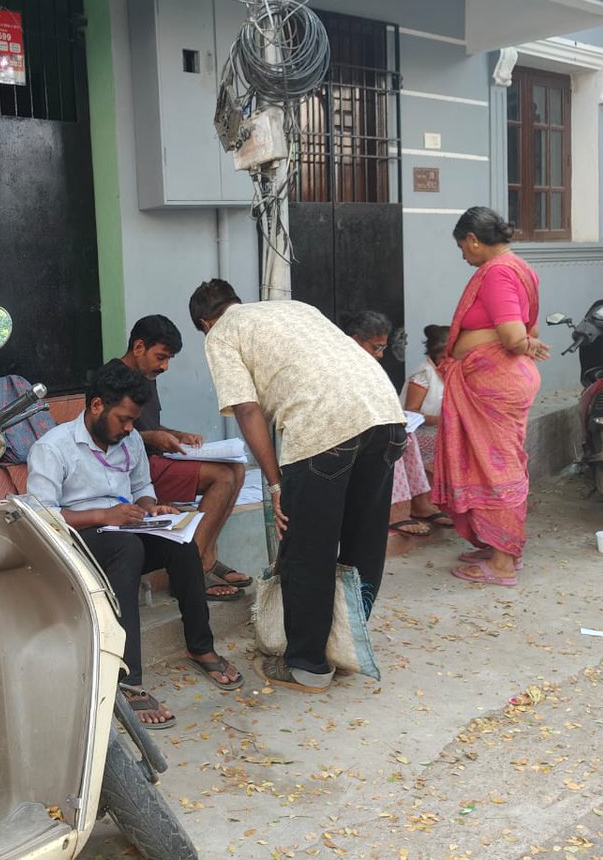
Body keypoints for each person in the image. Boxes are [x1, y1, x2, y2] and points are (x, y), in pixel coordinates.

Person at [189, 280, 406, 694]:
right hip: (386, 415)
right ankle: (344, 649)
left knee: (307, 547)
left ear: (205, 322)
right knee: (364, 541)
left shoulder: (221, 333)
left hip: (323, 426)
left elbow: (248, 409)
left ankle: (308, 665)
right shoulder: (297, 308)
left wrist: (276, 484)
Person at [26, 362, 242, 728]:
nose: (129, 429)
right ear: (97, 405)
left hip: (123, 528)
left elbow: (142, 488)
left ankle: (201, 646)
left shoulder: (129, 442)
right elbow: (41, 515)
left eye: (133, 421)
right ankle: (129, 680)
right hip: (77, 539)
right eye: (124, 420)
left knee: (181, 542)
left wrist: (151, 508)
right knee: (128, 550)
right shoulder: (54, 447)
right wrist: (102, 515)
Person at [436, 207, 550, 586]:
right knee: (493, 465)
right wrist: (518, 340)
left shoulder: (499, 272)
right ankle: (498, 544)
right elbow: (526, 332)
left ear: (473, 239)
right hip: (500, 381)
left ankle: (503, 562)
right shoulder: (521, 268)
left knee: (498, 470)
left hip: (496, 385)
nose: (463, 257)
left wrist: (517, 341)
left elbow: (515, 337)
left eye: (462, 248)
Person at [102, 315, 249, 601]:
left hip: (154, 459)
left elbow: (148, 425)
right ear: (139, 347)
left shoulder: (147, 375)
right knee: (223, 477)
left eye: (168, 359)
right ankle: (192, 571)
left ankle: (206, 557)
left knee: (237, 469)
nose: (164, 366)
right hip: (133, 469)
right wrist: (153, 438)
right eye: (161, 357)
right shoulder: (113, 379)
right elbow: (112, 433)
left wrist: (177, 435)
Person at [340, 311, 451, 536]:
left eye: (383, 348)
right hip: (347, 433)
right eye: (376, 347)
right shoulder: (341, 367)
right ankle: (395, 513)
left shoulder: (367, 365)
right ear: (355, 341)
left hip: (370, 427)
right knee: (392, 441)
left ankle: (420, 503)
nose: (381, 354)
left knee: (405, 439)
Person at [402, 325, 450, 474]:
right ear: (434, 355)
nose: (449, 361)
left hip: (445, 438)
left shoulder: (453, 373)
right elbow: (411, 412)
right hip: (423, 441)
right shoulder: (423, 375)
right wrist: (441, 420)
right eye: (443, 357)